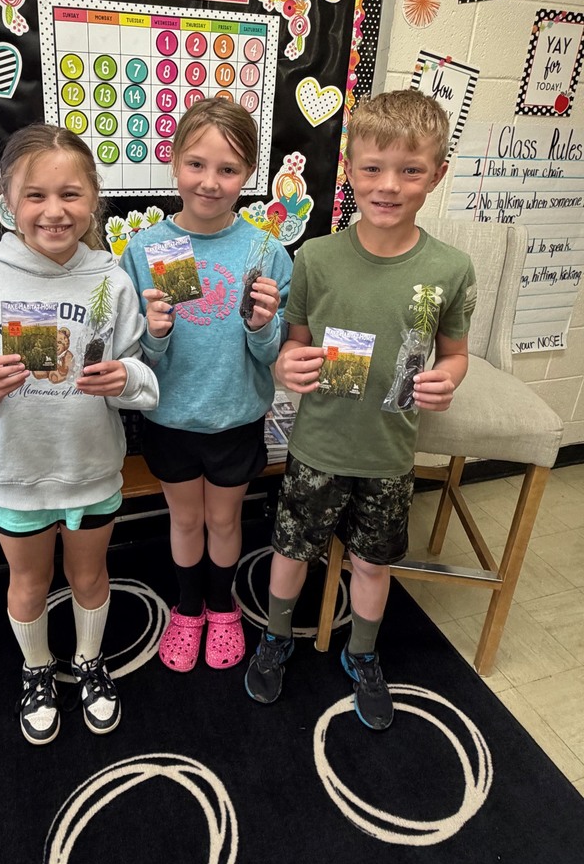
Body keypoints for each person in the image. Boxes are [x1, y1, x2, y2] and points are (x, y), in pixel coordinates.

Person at [244, 90, 477, 730]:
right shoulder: (315, 258)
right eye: (372, 168)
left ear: (437, 174)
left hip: (389, 451)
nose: (389, 186)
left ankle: (364, 652)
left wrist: (446, 378)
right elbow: (292, 347)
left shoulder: (451, 269)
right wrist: (288, 367)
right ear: (348, 167)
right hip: (318, 444)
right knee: (292, 549)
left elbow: (454, 354)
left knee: (376, 560)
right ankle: (277, 637)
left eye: (409, 170)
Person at [0, 124, 159, 745]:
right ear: (8, 201)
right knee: (28, 582)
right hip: (16, 475)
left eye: (71, 195)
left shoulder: (112, 280)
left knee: (89, 578)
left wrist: (125, 378)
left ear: (93, 200)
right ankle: (36, 670)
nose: (54, 211)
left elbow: (142, 373)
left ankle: (89, 662)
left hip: (91, 470)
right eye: (35, 196)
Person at [119, 98, 292, 673]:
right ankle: (187, 609)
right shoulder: (144, 251)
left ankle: (223, 608)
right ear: (172, 163)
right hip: (170, 419)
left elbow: (271, 353)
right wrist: (157, 334)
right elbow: (135, 358)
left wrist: (263, 326)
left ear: (249, 174)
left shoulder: (267, 251)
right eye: (196, 165)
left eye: (228, 169)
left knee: (224, 519)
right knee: (185, 519)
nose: (210, 183)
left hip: (236, 415)